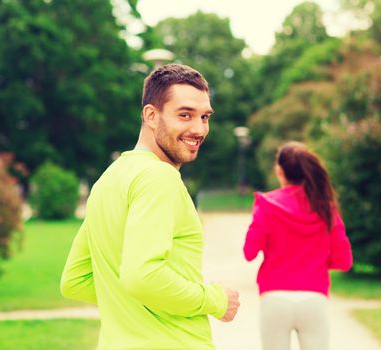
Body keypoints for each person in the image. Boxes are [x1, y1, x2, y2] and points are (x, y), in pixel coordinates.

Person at [61, 63, 240, 350]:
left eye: (205, 117)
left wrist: (138, 304)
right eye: (185, 115)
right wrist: (215, 300)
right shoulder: (160, 177)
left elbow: (75, 280)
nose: (199, 129)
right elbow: (142, 276)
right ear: (151, 115)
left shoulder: (108, 180)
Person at [243, 141, 353, 350]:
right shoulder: (325, 207)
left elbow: (249, 252)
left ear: (279, 171)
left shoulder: (266, 204)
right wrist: (315, 261)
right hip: (314, 298)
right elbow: (344, 261)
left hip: (274, 298)